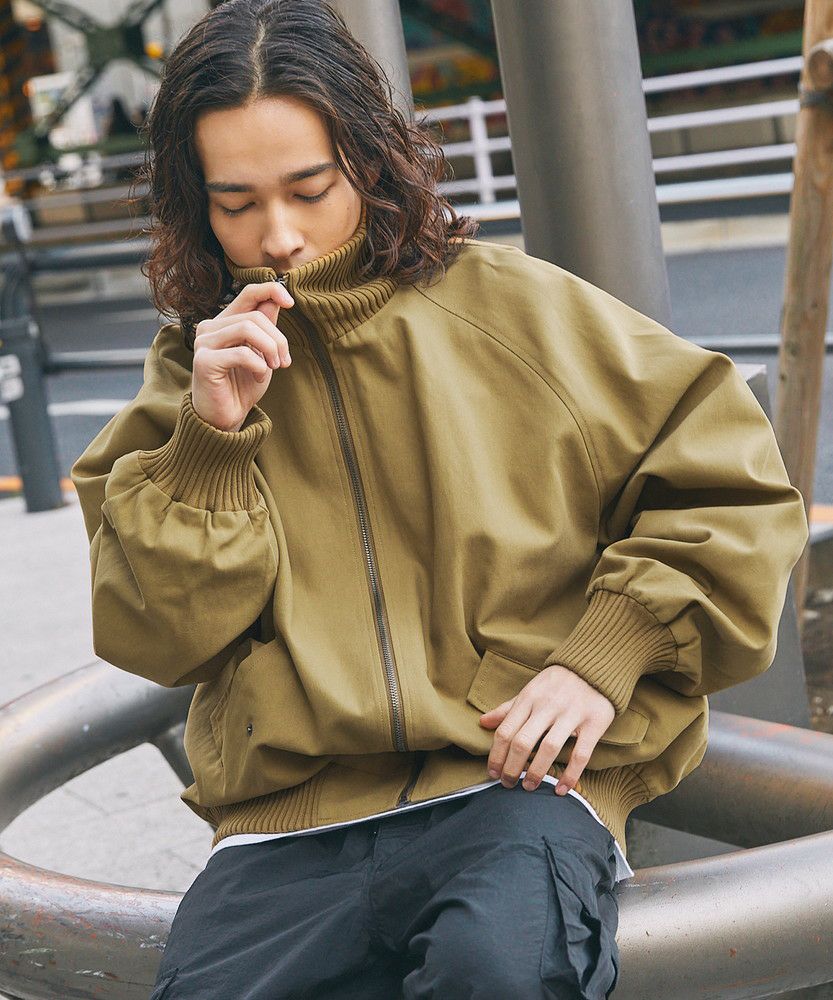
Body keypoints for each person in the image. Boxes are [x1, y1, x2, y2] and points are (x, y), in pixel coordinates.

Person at [70, 1, 808, 997]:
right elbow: (160, 637)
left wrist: (601, 657)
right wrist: (210, 443)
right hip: (286, 829)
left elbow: (730, 484)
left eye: (309, 189)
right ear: (193, 203)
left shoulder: (513, 313)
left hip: (512, 791)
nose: (278, 235)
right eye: (235, 203)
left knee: (495, 973)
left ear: (368, 162)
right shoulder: (186, 384)